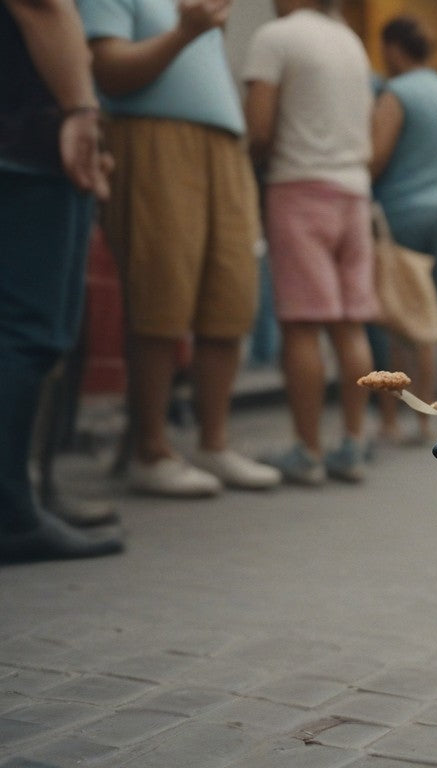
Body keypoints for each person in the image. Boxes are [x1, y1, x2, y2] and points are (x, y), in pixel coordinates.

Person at [79, 0, 280, 497]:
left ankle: (213, 443)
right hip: (150, 136)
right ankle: (151, 449)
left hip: (223, 145)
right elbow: (107, 71)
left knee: (229, 298)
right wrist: (185, 33)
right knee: (160, 293)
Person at [1, 0, 123, 562]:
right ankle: (12, 513)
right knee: (30, 329)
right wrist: (80, 110)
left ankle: (25, 496)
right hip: (25, 138)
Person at [244, 0, 377, 482]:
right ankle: (354, 443)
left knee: (302, 325)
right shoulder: (351, 42)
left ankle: (309, 451)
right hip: (354, 194)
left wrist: (246, 165)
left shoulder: (275, 37)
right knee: (349, 325)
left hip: (298, 188)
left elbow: (258, 129)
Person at [369, 15, 437, 445]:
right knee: (427, 312)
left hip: (402, 209)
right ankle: (426, 417)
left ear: (393, 48)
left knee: (396, 317)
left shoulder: (398, 92)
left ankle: (390, 419)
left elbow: (376, 156)